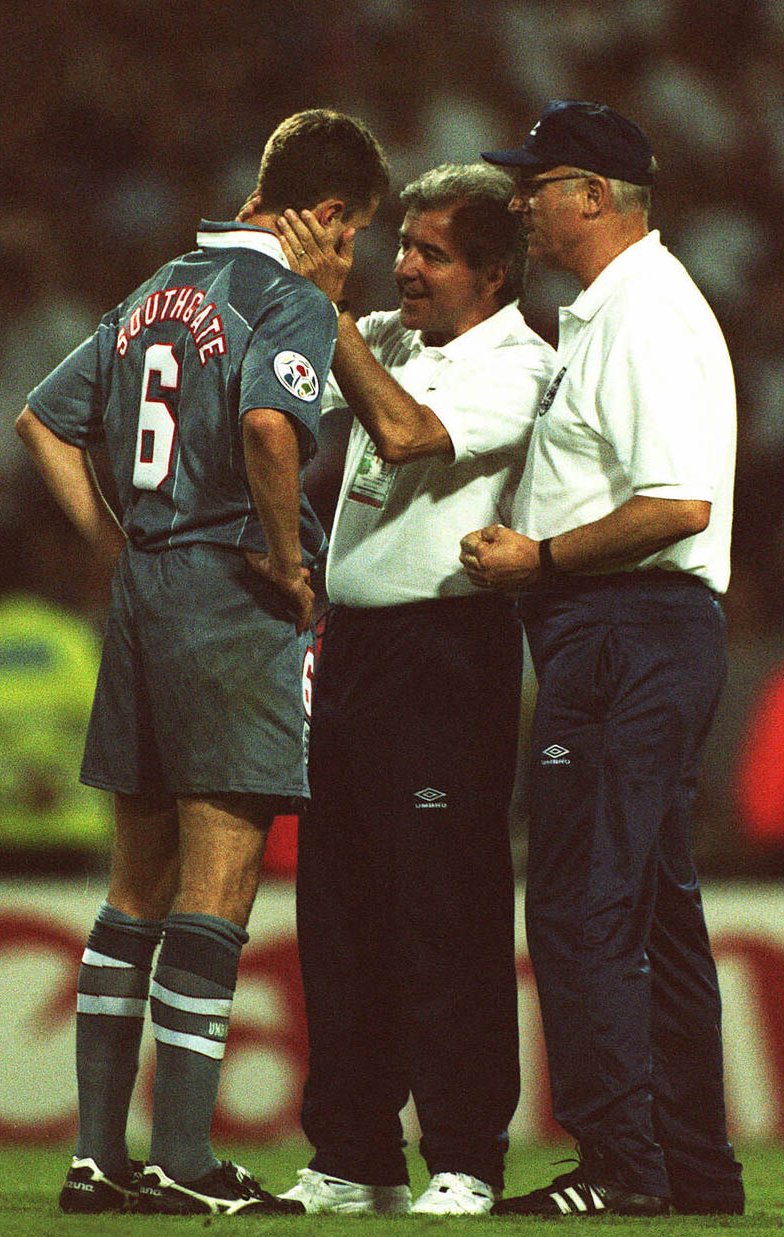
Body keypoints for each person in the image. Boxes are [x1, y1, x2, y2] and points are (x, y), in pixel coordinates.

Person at [15, 108, 388, 1218]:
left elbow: (43, 419)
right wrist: (284, 559)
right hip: (227, 592)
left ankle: (95, 1157)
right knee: (217, 886)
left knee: (132, 889)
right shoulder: (285, 298)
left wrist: (116, 545)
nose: (354, 250)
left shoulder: (154, 292)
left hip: (142, 594)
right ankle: (182, 1157)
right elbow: (275, 430)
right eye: (356, 230)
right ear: (324, 215)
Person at [460, 100, 745, 1218]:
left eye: (536, 182)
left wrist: (538, 554)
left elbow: (675, 502)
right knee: (654, 911)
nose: (520, 201)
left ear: (592, 195)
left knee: (581, 902)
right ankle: (691, 1167)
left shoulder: (643, 317)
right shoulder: (615, 312)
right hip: (633, 635)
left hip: (625, 630)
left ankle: (623, 1164)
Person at [272, 163, 557, 1215]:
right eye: (404, 247)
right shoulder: (397, 336)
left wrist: (339, 312)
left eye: (431, 253)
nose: (407, 269)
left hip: (448, 653)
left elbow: (401, 435)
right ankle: (349, 1153)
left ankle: (465, 1154)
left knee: (446, 909)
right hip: (351, 653)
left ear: (490, 272)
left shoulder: (518, 366)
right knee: (340, 908)